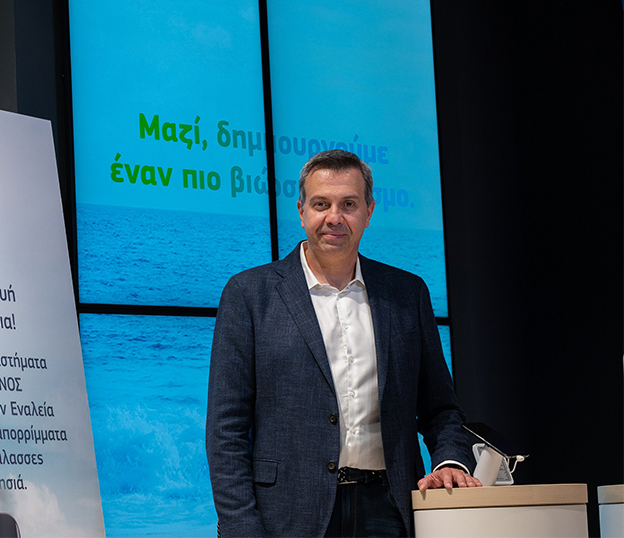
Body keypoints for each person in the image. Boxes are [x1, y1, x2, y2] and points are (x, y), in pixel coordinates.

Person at [206, 150, 481, 537]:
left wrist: (450, 461)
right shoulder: (250, 294)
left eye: (348, 204)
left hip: (389, 509)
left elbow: (441, 409)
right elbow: (226, 431)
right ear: (302, 211)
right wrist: (241, 526)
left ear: (368, 211)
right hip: (286, 515)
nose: (334, 217)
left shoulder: (407, 293)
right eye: (321, 204)